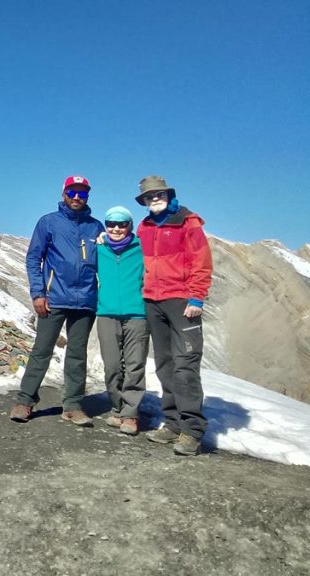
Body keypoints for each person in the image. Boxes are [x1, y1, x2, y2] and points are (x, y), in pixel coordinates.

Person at [10, 175, 103, 427]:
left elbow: (105, 263)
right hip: (53, 298)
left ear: (87, 197)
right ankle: (25, 401)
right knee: (42, 350)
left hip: (85, 301)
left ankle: (72, 405)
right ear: (64, 193)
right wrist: (38, 293)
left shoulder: (96, 228)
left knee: (77, 354)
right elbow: (34, 258)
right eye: (72, 192)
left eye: (82, 194)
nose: (76, 197)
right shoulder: (48, 222)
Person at [134, 175, 213, 456]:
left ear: (168, 194)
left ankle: (192, 431)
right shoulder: (144, 227)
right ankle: (173, 422)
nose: (154, 199)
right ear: (143, 201)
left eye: (158, 194)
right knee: (165, 364)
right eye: (148, 197)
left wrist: (197, 296)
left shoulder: (187, 221)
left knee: (186, 364)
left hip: (181, 302)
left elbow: (200, 260)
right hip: (153, 301)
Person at [95, 205, 148, 436]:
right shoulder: (99, 248)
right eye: (111, 224)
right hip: (106, 313)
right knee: (112, 366)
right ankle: (117, 408)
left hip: (137, 314)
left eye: (122, 224)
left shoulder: (142, 247)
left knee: (135, 365)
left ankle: (130, 414)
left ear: (130, 226)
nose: (116, 228)